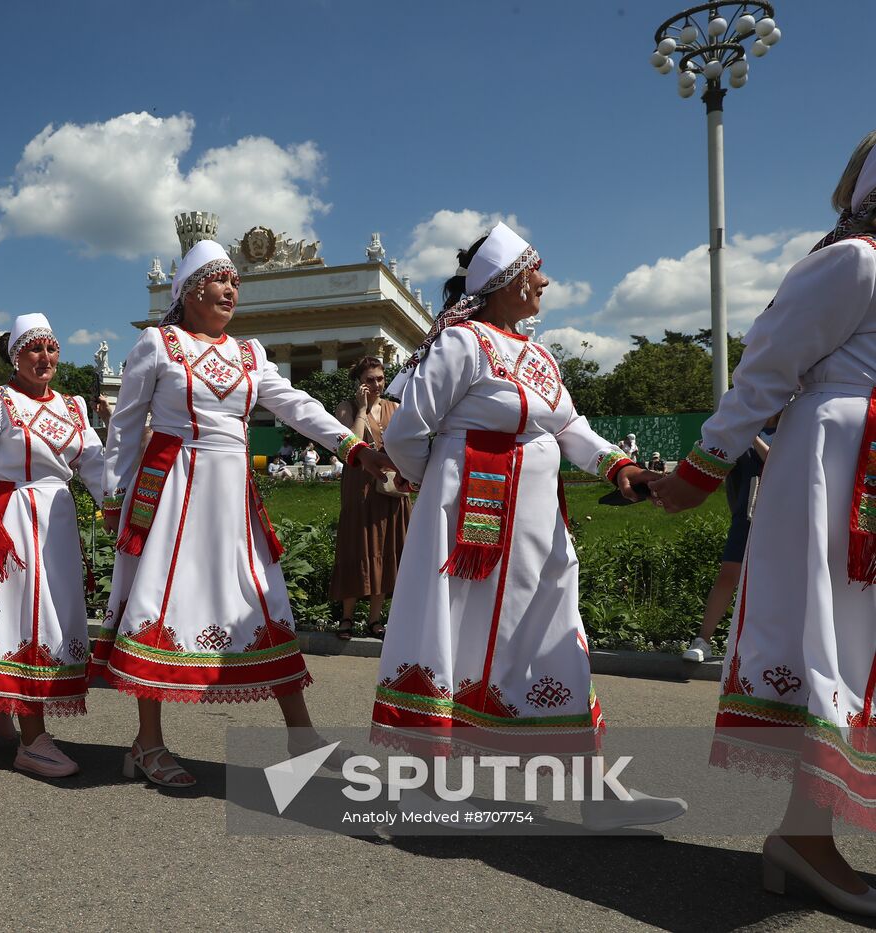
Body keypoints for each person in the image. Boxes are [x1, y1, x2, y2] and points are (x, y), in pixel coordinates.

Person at [375, 222, 684, 830]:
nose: (545, 280)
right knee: (451, 630)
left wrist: (618, 465)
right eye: (535, 270)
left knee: (556, 632)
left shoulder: (539, 355)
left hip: (539, 527)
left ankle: (594, 794)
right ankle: (417, 785)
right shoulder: (462, 343)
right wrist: (438, 489)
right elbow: (406, 433)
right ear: (509, 281)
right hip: (470, 527)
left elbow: (570, 429)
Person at [650, 131, 876, 914]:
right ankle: (806, 838)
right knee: (835, 640)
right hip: (838, 466)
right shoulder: (855, 261)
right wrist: (700, 469)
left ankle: (808, 833)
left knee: (859, 647)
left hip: (862, 463)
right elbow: (765, 369)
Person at [93, 238, 396, 787]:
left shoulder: (250, 353)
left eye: (236, 282)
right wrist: (115, 499)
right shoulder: (157, 346)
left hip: (233, 494)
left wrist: (353, 450)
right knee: (159, 600)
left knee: (262, 597)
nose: (231, 289)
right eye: (220, 280)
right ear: (190, 290)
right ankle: (147, 742)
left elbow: (295, 405)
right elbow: (124, 428)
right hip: (173, 491)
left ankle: (301, 735)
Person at [0, 314, 104, 778]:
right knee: (21, 617)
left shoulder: (74, 407)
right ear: (16, 357)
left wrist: (126, 514)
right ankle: (33, 740)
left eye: (51, 348)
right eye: (34, 349)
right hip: (12, 518)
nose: (45, 357)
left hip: (57, 519)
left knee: (56, 617)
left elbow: (95, 467)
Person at [681, 416, 777, 662]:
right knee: (728, 576)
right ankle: (703, 640)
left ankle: (776, 645)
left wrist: (751, 435)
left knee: (779, 583)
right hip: (747, 517)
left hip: (785, 519)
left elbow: (774, 460)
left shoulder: (794, 429)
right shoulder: (742, 435)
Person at [330, 356, 411, 640]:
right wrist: (362, 410)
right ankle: (347, 617)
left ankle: (375, 620)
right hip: (360, 488)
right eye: (369, 380)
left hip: (390, 485)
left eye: (379, 378)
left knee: (386, 549)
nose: (376, 384)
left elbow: (408, 443)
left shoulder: (395, 408)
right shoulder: (347, 408)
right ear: (359, 382)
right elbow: (350, 443)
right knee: (357, 547)